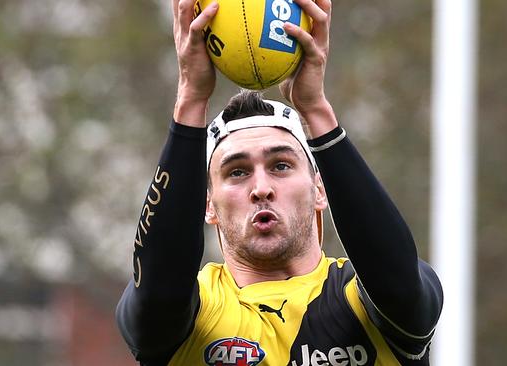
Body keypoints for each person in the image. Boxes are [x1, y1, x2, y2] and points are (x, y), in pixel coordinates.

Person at [116, 0, 443, 364]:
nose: (261, 188)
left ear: (320, 188)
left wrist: (315, 108)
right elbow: (158, 291)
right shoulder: (195, 313)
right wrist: (191, 99)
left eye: (282, 165)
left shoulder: (362, 298)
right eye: (237, 172)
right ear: (207, 205)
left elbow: (399, 282)